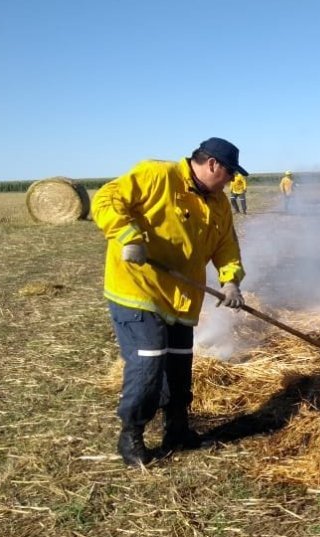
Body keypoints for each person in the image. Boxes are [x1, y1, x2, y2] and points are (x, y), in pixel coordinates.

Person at [91, 137, 248, 467]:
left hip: (182, 300)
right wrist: (128, 236)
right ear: (213, 165)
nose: (232, 180)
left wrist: (230, 280)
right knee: (149, 362)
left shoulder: (218, 203)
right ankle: (131, 434)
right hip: (139, 289)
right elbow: (106, 199)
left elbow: (226, 247)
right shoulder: (157, 175)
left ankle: (177, 429)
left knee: (179, 366)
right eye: (230, 172)